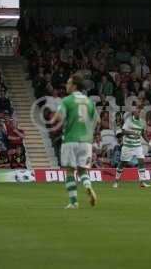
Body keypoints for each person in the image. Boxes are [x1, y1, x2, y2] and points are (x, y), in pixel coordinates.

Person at [51, 73, 99, 209]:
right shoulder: (89, 101)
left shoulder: (67, 100)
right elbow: (97, 120)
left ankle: (73, 202)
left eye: (68, 83)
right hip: (86, 141)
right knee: (83, 171)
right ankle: (88, 186)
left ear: (74, 86)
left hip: (70, 140)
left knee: (70, 171)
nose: (66, 85)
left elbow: (58, 119)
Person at [112, 105, 151, 188]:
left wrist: (149, 143)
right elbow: (123, 131)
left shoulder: (142, 122)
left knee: (141, 161)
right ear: (134, 112)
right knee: (123, 163)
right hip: (127, 145)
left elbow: (143, 133)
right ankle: (116, 181)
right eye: (138, 111)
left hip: (137, 145)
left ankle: (142, 182)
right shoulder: (129, 120)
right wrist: (133, 133)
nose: (139, 113)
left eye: (140, 112)